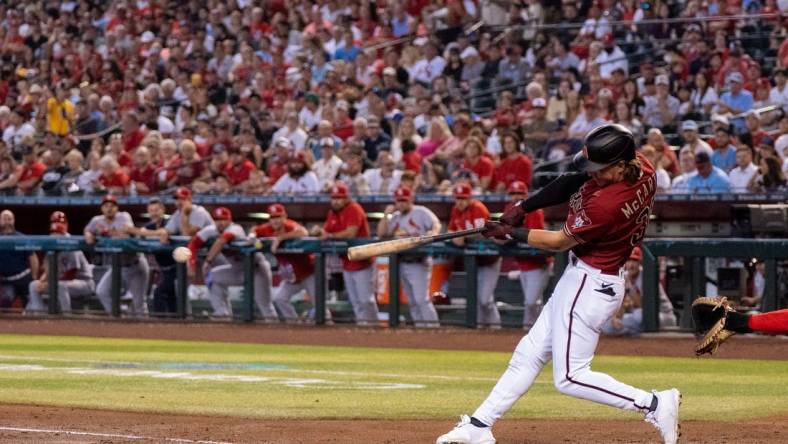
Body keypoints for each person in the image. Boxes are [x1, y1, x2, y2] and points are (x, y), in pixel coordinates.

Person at [437, 124, 680, 444]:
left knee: (569, 377)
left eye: (600, 169)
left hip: (592, 282)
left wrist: (511, 231)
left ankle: (652, 403)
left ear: (620, 166)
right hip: (585, 279)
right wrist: (522, 209)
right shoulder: (640, 166)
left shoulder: (606, 205)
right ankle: (480, 425)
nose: (593, 174)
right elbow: (572, 180)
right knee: (529, 353)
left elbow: (558, 241)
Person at [186, 207, 275, 320]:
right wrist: (191, 264)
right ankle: (222, 314)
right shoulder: (210, 230)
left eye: (224, 219)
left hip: (256, 269)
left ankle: (276, 332)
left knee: (264, 304)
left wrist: (208, 261)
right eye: (217, 219)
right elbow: (193, 243)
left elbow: (222, 241)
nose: (221, 222)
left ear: (229, 220)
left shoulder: (235, 228)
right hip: (237, 270)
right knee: (213, 276)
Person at [312, 182, 379, 325]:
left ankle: (374, 327)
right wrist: (319, 232)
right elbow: (326, 231)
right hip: (347, 262)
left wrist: (328, 235)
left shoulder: (354, 208)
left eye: (339, 198)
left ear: (346, 198)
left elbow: (351, 233)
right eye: (334, 198)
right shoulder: (332, 213)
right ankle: (363, 327)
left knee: (366, 299)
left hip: (362, 262)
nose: (336, 201)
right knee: (355, 301)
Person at [377, 186, 441, 328]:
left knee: (421, 300)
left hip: (419, 261)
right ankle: (421, 328)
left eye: (404, 200)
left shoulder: (421, 211)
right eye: (399, 201)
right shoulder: (395, 217)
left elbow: (436, 225)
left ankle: (434, 329)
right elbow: (381, 234)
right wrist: (386, 215)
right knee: (411, 301)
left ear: (410, 199)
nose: (401, 204)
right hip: (401, 262)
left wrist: (432, 232)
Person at [84, 195, 150, 316]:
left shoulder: (123, 216)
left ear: (117, 208)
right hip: (117, 266)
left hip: (135, 265)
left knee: (139, 303)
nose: (109, 209)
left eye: (112, 206)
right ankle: (119, 317)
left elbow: (124, 235)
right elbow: (87, 231)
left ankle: (147, 332)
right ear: (102, 208)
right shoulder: (97, 220)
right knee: (101, 291)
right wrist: (88, 234)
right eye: (106, 206)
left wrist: (104, 232)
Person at [252, 204, 319, 322]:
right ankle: (294, 323)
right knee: (280, 298)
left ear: (284, 217)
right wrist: (251, 236)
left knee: (319, 304)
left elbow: (303, 232)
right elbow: (254, 230)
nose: (275, 220)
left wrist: (280, 238)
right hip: (292, 277)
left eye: (278, 217)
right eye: (272, 217)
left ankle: (328, 329)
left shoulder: (290, 225)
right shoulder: (267, 228)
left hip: (309, 272)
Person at [447, 183, 501, 327]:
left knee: (485, 299)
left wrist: (462, 237)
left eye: (463, 198)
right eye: (457, 198)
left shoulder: (478, 208)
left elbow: (482, 233)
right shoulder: (456, 210)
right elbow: (451, 231)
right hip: (474, 261)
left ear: (470, 198)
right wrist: (456, 237)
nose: (460, 201)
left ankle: (496, 328)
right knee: (476, 299)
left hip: (489, 258)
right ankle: (480, 329)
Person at [503, 181, 551, 328]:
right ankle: (535, 329)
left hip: (538, 263)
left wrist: (511, 235)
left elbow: (534, 236)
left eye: (519, 193)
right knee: (532, 302)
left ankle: (531, 330)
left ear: (526, 194)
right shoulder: (509, 209)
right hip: (523, 264)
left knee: (531, 302)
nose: (516, 196)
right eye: (513, 193)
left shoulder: (534, 210)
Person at [602, 247, 677, 337]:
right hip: (637, 317)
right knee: (606, 324)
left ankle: (630, 332)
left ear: (640, 262)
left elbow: (645, 308)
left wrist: (629, 289)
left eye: (634, 260)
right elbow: (619, 304)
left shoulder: (647, 276)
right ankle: (635, 334)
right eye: (628, 260)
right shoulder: (624, 276)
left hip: (662, 316)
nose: (631, 265)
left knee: (639, 315)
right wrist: (615, 318)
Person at [27, 218, 94, 313]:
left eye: (58, 233)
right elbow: (48, 269)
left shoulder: (71, 245)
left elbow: (71, 273)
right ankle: (38, 314)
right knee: (33, 285)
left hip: (84, 283)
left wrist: (50, 284)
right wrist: (42, 282)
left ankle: (66, 317)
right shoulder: (51, 247)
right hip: (60, 282)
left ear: (63, 234)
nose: (55, 235)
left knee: (60, 286)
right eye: (53, 233)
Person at [129, 198, 178, 315]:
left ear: (162, 210)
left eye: (156, 210)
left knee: (159, 293)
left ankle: (158, 324)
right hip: (164, 269)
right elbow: (140, 234)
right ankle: (175, 324)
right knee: (171, 297)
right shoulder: (151, 225)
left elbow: (162, 232)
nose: (154, 213)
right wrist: (136, 232)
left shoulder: (169, 221)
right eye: (151, 210)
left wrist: (138, 231)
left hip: (177, 267)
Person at [0, 210, 39, 309]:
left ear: (14, 221)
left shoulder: (22, 238)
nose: (7, 222)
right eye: (4, 219)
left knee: (32, 308)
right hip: (7, 281)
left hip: (24, 279)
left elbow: (33, 257)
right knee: (5, 303)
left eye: (10, 219)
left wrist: (34, 278)